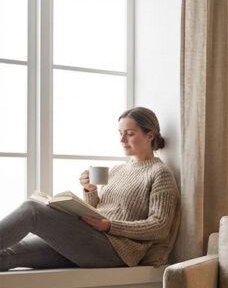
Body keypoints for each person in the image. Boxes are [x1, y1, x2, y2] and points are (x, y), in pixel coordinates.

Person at [0, 107, 180, 271]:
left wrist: (110, 226)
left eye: (130, 134)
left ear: (150, 135)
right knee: (7, 255)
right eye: (120, 133)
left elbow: (160, 226)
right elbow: (100, 211)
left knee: (32, 210)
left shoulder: (160, 173)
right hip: (91, 241)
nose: (122, 140)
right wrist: (90, 190)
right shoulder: (118, 170)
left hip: (115, 251)